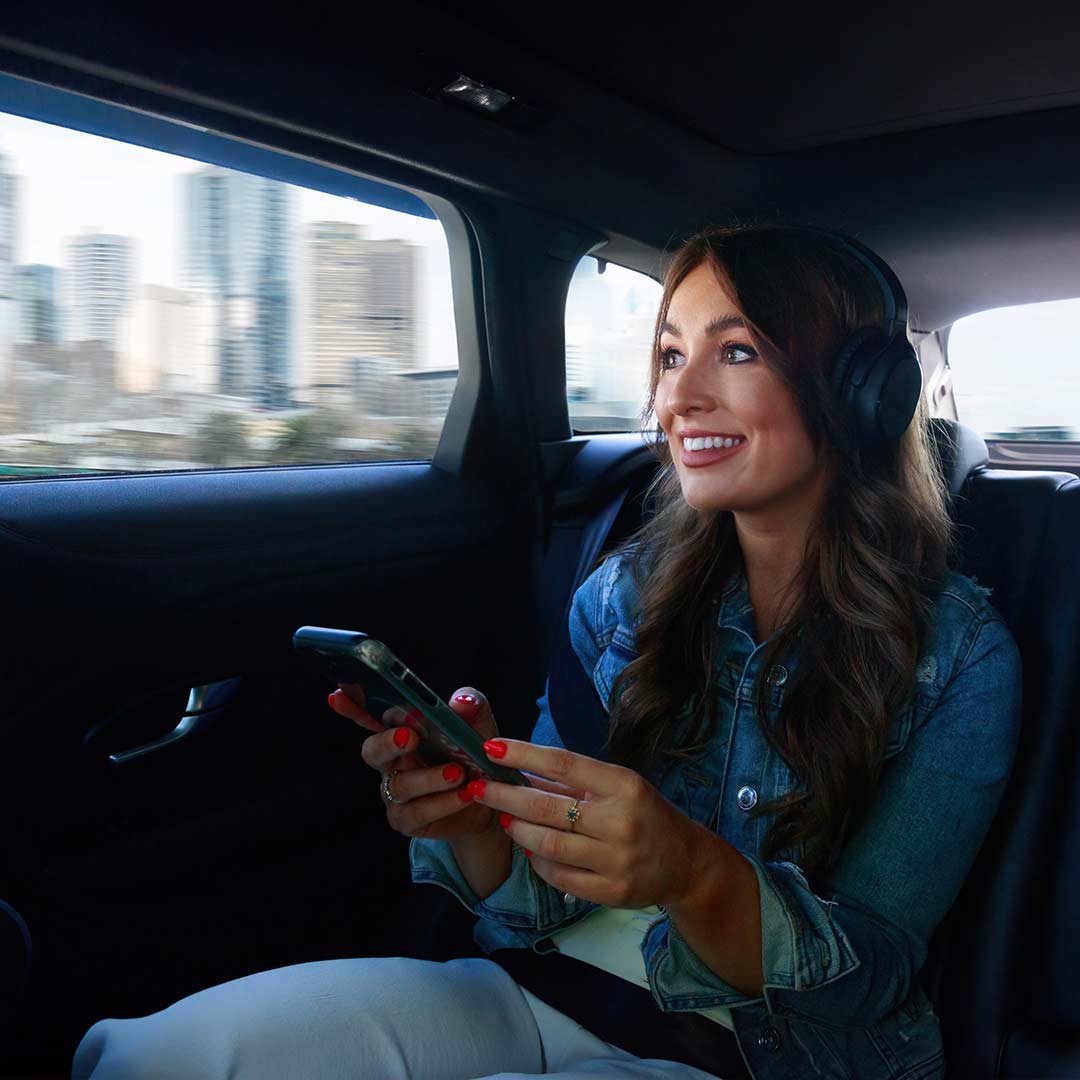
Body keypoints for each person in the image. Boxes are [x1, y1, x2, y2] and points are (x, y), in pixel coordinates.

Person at [71, 223, 1022, 1080]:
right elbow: (534, 896)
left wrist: (693, 873)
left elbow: (871, 978)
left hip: (754, 1056)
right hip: (546, 989)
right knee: (167, 1054)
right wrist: (477, 822)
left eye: (735, 352)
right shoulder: (623, 594)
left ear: (864, 391)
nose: (678, 396)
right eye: (669, 352)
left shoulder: (960, 660)